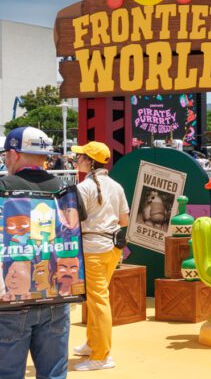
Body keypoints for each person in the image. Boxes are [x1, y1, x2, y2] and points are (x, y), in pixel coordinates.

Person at [0, 126, 71, 379]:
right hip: (56, 294)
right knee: (54, 373)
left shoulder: (3, 185)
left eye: (5, 156)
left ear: (14, 153)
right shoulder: (65, 189)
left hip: (11, 296)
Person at [71, 141, 129, 372]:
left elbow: (72, 220)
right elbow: (124, 221)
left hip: (93, 247)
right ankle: (94, 343)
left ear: (89, 161)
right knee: (98, 298)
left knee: (98, 301)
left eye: (81, 157)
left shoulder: (84, 187)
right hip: (113, 247)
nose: (77, 160)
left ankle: (101, 355)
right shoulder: (116, 186)